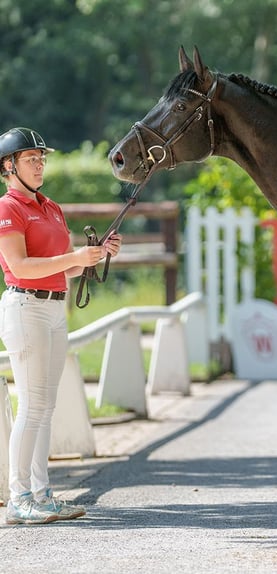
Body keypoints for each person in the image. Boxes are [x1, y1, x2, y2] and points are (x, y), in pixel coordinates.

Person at [0, 127, 122, 525]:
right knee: (31, 407)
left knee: (45, 408)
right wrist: (75, 257)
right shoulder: (8, 208)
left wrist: (95, 256)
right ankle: (18, 497)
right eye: (30, 159)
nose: (39, 165)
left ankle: (41, 493)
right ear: (8, 166)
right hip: (25, 307)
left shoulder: (51, 207)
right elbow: (19, 266)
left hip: (54, 308)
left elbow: (61, 265)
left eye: (41, 158)